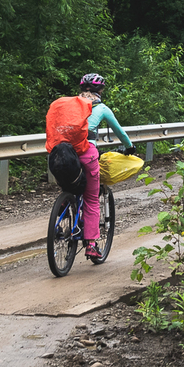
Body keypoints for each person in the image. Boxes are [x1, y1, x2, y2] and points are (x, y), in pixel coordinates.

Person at [45, 73, 126, 264]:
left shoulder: (69, 106)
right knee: (91, 199)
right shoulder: (101, 108)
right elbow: (120, 133)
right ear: (100, 91)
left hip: (60, 154)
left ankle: (62, 214)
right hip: (86, 154)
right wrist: (129, 146)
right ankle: (91, 245)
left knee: (68, 186)